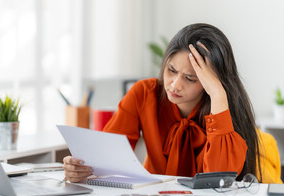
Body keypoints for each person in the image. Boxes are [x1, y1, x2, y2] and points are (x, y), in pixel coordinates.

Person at [63, 23, 262, 183]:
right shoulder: (144, 94)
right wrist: (81, 168)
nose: (175, 85)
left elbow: (220, 180)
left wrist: (219, 96)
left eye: (190, 78)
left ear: (212, 81)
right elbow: (104, 159)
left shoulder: (223, 108)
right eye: (171, 70)